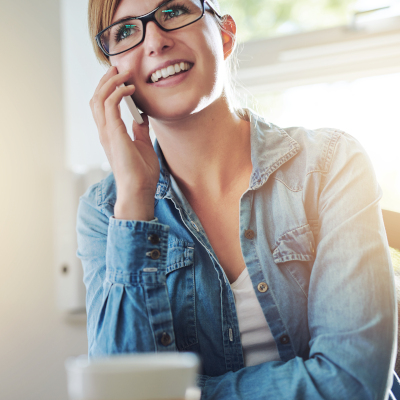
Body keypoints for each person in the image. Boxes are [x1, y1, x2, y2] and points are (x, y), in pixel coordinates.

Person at [76, 0, 397, 398]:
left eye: (173, 11)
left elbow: (352, 384)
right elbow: (120, 393)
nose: (155, 41)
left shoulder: (331, 163)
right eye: (124, 31)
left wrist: (182, 394)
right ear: (114, 73)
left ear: (225, 34)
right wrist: (135, 203)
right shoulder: (106, 212)